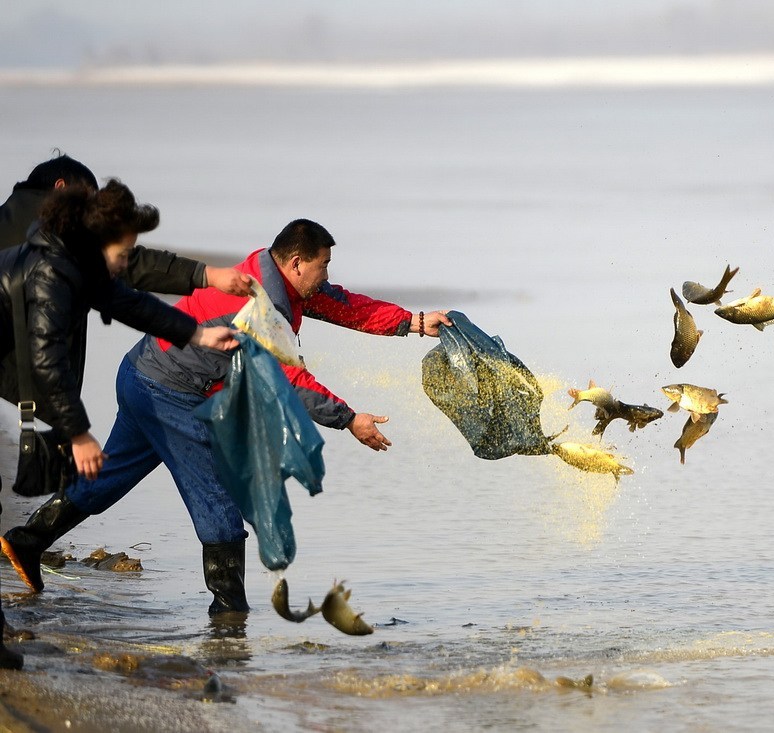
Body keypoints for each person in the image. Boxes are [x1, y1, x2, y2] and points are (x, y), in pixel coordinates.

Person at [2, 218, 452, 619]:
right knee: (219, 508)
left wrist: (413, 322)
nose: (327, 274)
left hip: (141, 372)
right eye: (323, 265)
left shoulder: (270, 272)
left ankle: (26, 541)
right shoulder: (263, 306)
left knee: (110, 478)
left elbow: (343, 304)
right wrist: (350, 419)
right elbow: (291, 381)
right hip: (168, 392)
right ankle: (228, 618)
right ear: (297, 263)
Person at [0, 179, 239, 671]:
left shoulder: (78, 263)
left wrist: (197, 332)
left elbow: (133, 304)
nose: (130, 260)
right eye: (127, 251)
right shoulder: (52, 273)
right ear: (99, 239)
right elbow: (47, 362)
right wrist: (81, 433)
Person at [1, 153, 252, 297]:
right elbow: (131, 264)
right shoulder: (64, 233)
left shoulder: (8, 218)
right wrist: (207, 275)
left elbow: (129, 305)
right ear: (61, 188)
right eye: (87, 200)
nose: (92, 214)